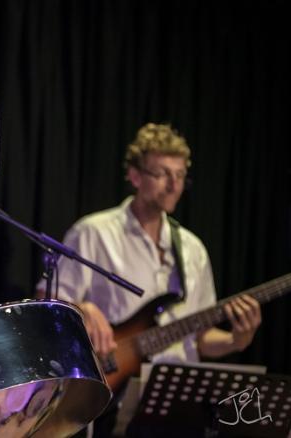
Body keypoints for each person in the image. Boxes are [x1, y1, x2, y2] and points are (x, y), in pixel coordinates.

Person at [36, 123, 261, 437]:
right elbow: (48, 304)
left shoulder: (193, 249)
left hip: (182, 403)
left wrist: (237, 340)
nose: (173, 185)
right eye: (162, 174)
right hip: (117, 400)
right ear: (135, 176)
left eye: (180, 175)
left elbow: (199, 340)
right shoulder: (94, 232)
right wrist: (83, 308)